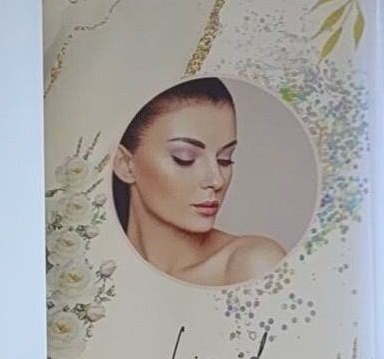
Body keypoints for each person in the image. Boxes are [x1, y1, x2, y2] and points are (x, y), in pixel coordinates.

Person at [107, 79, 286, 286]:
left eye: (225, 159)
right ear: (125, 165)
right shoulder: (96, 269)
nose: (217, 180)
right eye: (185, 158)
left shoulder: (251, 264)